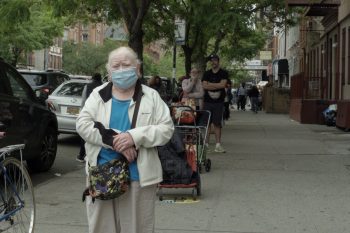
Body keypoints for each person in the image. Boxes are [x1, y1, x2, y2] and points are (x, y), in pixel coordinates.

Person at [76, 46, 174, 233]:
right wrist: (115, 140)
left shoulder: (151, 96)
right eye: (116, 66)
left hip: (139, 178)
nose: (121, 70)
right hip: (102, 177)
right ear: (109, 72)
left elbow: (166, 129)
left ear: (137, 68)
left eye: (126, 65)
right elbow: (82, 124)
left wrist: (134, 137)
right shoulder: (98, 95)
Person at [202, 54, 228, 153]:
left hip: (219, 102)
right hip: (208, 101)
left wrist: (210, 84)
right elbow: (204, 86)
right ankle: (206, 145)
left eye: (215, 60)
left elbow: (223, 85)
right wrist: (217, 85)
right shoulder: (207, 73)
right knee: (207, 124)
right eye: (211, 60)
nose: (213, 62)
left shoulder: (223, 73)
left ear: (218, 61)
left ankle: (218, 145)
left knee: (217, 124)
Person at [76, 73, 103, 163]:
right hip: (100, 114)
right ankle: (91, 155)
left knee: (86, 135)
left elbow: (83, 101)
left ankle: (81, 155)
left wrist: (82, 113)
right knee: (98, 134)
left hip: (89, 112)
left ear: (92, 78)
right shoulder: (103, 86)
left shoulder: (88, 86)